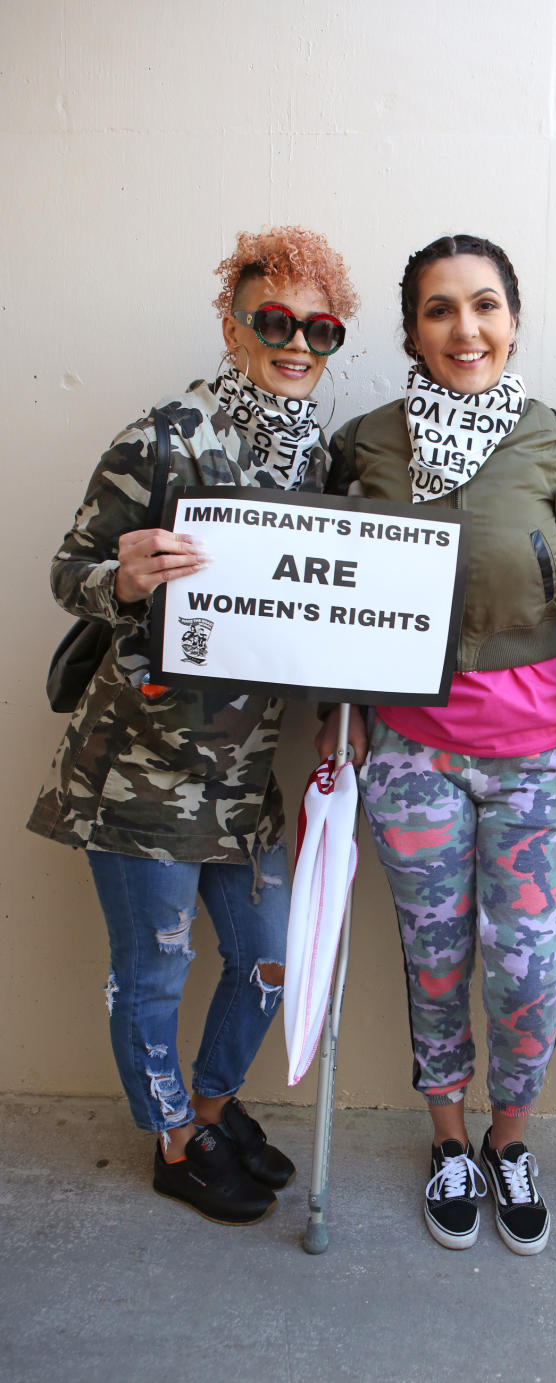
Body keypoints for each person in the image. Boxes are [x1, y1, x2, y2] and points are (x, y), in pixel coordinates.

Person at [28, 226, 358, 1226]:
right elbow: (67, 571)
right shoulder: (163, 438)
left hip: (245, 777)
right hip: (138, 771)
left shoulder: (327, 466)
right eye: (274, 320)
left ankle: (210, 1107)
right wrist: (121, 579)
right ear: (233, 324)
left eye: (321, 327)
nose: (297, 342)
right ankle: (173, 1139)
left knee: (271, 961)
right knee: (155, 970)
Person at [320, 233, 556, 1255]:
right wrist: (337, 711)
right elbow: (328, 591)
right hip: (412, 750)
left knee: (527, 967)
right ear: (411, 330)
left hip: (539, 756)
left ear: (515, 319)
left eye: (485, 305)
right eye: (441, 310)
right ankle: (448, 1137)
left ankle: (509, 1137)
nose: (466, 329)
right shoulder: (366, 442)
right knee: (435, 955)